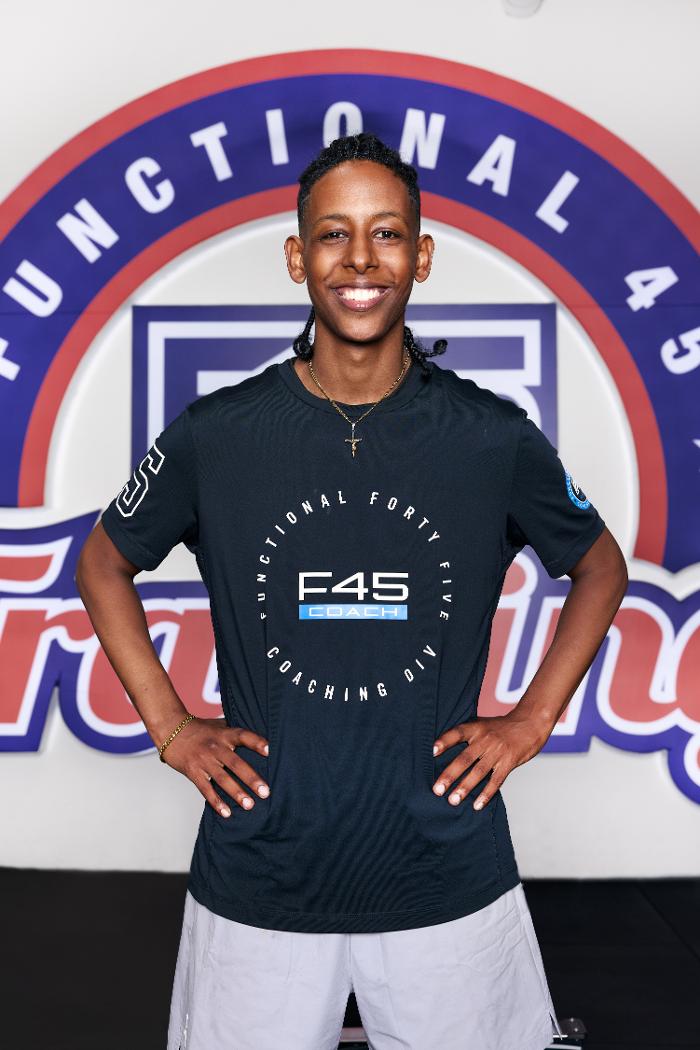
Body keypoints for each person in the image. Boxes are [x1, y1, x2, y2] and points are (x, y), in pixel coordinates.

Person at [76, 132, 628, 1050]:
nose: (361, 258)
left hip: (445, 868)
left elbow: (600, 563)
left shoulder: (490, 435)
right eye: (335, 234)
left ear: (422, 255)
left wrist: (531, 722)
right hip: (261, 868)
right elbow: (103, 560)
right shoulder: (220, 433)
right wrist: (171, 728)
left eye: (387, 233)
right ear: (299, 259)